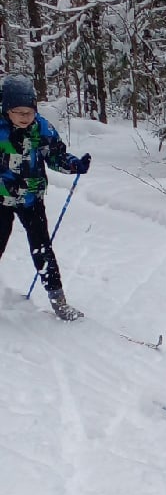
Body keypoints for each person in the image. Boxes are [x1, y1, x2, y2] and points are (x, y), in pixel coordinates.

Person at [0, 74, 90, 320]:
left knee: (42, 249)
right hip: (2, 200)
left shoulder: (41, 127)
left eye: (29, 112)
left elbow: (55, 156)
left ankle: (58, 301)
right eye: (18, 112)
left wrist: (74, 165)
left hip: (31, 199)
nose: (24, 117)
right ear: (6, 109)